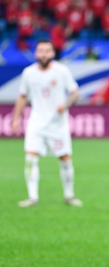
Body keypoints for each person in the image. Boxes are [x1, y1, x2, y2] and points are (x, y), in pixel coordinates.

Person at [11, 40, 82, 207]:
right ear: (36, 53)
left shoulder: (62, 71)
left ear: (53, 53)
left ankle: (69, 195)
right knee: (30, 157)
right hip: (36, 122)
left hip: (58, 124)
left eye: (47, 51)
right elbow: (22, 96)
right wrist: (16, 118)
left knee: (64, 157)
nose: (44, 54)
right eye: (40, 51)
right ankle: (32, 197)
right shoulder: (28, 73)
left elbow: (74, 93)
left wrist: (65, 104)